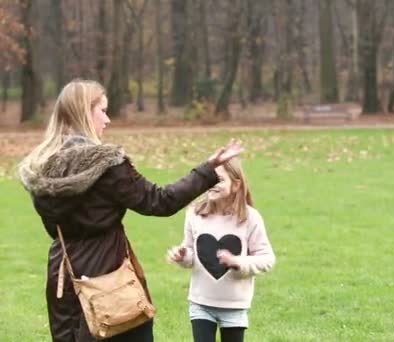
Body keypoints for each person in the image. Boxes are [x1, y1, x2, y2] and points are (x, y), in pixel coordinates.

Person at [18, 79, 243, 342]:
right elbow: (161, 201)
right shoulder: (108, 166)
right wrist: (207, 170)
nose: (108, 119)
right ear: (84, 112)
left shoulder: (42, 169)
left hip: (63, 276)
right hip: (109, 275)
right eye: (102, 110)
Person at [167, 158, 275, 342]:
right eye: (209, 179)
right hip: (201, 303)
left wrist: (238, 262)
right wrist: (183, 255)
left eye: (219, 180)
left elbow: (267, 259)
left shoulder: (250, 218)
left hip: (235, 307)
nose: (212, 185)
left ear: (236, 184)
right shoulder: (195, 214)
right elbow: (192, 253)